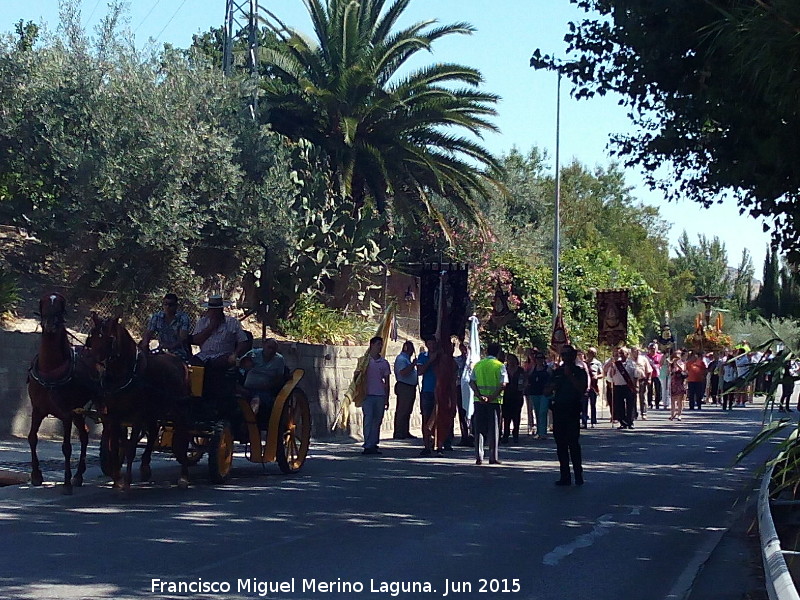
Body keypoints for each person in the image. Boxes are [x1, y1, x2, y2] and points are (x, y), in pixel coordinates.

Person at [549, 345, 588, 486]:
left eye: (568, 354)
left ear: (573, 356)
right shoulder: (557, 372)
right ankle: (564, 476)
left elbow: (581, 388)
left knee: (573, 444)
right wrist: (553, 385)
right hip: (558, 410)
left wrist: (570, 376)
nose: (565, 357)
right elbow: (547, 390)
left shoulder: (579, 371)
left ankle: (578, 475)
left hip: (572, 410)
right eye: (563, 354)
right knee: (560, 445)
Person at [470, 342, 508, 465]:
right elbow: (503, 384)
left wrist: (479, 395)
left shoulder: (478, 365)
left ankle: (479, 456)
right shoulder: (500, 366)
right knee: (494, 429)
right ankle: (493, 456)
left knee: (479, 429)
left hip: (479, 401)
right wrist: (491, 397)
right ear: (498, 352)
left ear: (486, 351)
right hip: (494, 402)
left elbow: (472, 382)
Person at [190, 295, 250, 368]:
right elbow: (195, 340)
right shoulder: (202, 322)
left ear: (221, 309)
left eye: (217, 310)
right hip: (204, 356)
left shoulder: (232, 322)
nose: (214, 312)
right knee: (193, 364)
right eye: (212, 310)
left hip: (224, 355)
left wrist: (235, 354)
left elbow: (243, 341)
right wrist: (210, 328)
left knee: (217, 365)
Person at [240, 338, 287, 428]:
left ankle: (249, 423)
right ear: (264, 345)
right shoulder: (253, 354)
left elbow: (280, 378)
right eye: (269, 347)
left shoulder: (279, 360)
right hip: (248, 387)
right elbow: (241, 365)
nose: (270, 351)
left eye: (273, 349)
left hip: (265, 391)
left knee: (256, 399)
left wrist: (270, 385)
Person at [357, 336, 391, 455]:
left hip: (380, 395)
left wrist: (387, 398)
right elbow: (357, 378)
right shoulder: (363, 361)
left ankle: (374, 443)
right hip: (367, 395)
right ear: (371, 345)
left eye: (381, 345)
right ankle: (368, 444)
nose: (380, 347)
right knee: (368, 420)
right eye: (378, 345)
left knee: (377, 421)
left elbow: (387, 381)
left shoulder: (384, 363)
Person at [140, 293, 191, 360]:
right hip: (161, 351)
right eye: (165, 304)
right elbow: (148, 333)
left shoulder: (183, 318)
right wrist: (145, 345)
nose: (167, 307)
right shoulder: (156, 317)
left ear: (176, 306)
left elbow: (183, 338)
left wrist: (169, 347)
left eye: (170, 305)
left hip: (180, 353)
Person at [604, 347, 637, 429]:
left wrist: (635, 386)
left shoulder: (632, 363)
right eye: (620, 353)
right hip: (618, 386)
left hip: (628, 386)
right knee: (619, 405)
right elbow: (610, 376)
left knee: (630, 405)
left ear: (627, 354)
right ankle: (622, 422)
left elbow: (635, 375)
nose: (621, 355)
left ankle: (630, 422)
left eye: (623, 353)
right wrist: (611, 367)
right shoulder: (616, 364)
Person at [416, 337, 439, 457]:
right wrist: (430, 361)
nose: (432, 346)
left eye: (434, 343)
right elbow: (419, 372)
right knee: (426, 417)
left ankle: (438, 444)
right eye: (429, 343)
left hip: (439, 391)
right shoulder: (423, 356)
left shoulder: (441, 357)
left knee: (438, 418)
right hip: (427, 391)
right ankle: (426, 445)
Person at [392, 341, 418, 440]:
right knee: (402, 409)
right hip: (404, 386)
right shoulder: (401, 359)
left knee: (408, 410)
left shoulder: (407, 359)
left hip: (410, 386)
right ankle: (399, 432)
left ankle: (405, 431)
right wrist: (413, 365)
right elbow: (402, 372)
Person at [525, 351, 551, 439]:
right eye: (538, 359)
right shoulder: (533, 369)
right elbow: (527, 377)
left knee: (543, 411)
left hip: (544, 393)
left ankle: (543, 432)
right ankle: (539, 431)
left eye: (541, 359)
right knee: (537, 412)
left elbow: (552, 378)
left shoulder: (548, 369)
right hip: (534, 392)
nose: (539, 360)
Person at [501, 353, 524, 444]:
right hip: (506, 396)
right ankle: (506, 435)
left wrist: (522, 388)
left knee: (516, 416)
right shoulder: (504, 370)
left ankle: (516, 435)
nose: (510, 361)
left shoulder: (520, 370)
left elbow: (524, 380)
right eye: (509, 359)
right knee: (506, 417)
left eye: (512, 359)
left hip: (517, 396)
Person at [584, 347, 602, 428]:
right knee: (584, 404)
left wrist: (597, 376)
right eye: (590, 352)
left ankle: (593, 421)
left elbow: (602, 374)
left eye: (593, 353)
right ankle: (584, 422)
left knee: (593, 404)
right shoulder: (584, 363)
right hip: (584, 386)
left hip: (594, 386)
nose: (591, 354)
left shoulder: (597, 363)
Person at [669, 350, 687, 421]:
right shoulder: (672, 363)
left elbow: (683, 371)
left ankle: (679, 414)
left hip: (680, 382)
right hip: (674, 382)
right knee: (673, 400)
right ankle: (672, 414)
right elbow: (670, 372)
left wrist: (677, 365)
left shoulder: (683, 363)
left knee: (680, 400)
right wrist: (672, 364)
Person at [645, 343, 663, 409]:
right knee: (649, 390)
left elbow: (661, 364)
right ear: (649, 349)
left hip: (657, 375)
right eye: (651, 349)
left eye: (654, 348)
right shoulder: (647, 357)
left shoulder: (659, 356)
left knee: (658, 389)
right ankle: (650, 402)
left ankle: (657, 402)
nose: (653, 350)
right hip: (649, 375)